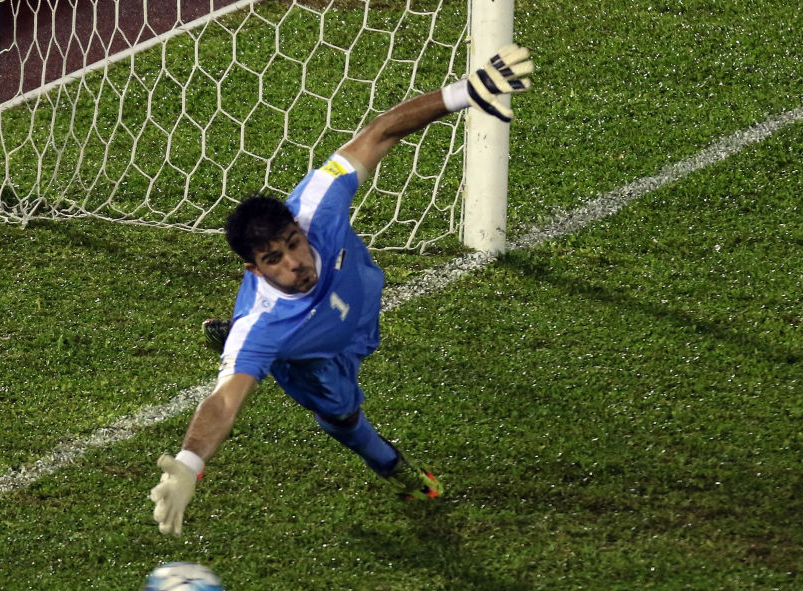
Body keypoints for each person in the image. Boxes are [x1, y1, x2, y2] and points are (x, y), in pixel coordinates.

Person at [150, 44, 534, 536]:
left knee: (327, 324)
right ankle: (395, 468)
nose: (295, 264)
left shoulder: (316, 204)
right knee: (345, 416)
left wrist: (467, 92)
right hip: (312, 358)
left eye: (293, 244)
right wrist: (188, 463)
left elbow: (380, 132)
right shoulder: (264, 326)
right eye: (274, 261)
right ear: (254, 269)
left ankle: (230, 339)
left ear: (297, 226)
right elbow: (224, 403)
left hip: (358, 310)